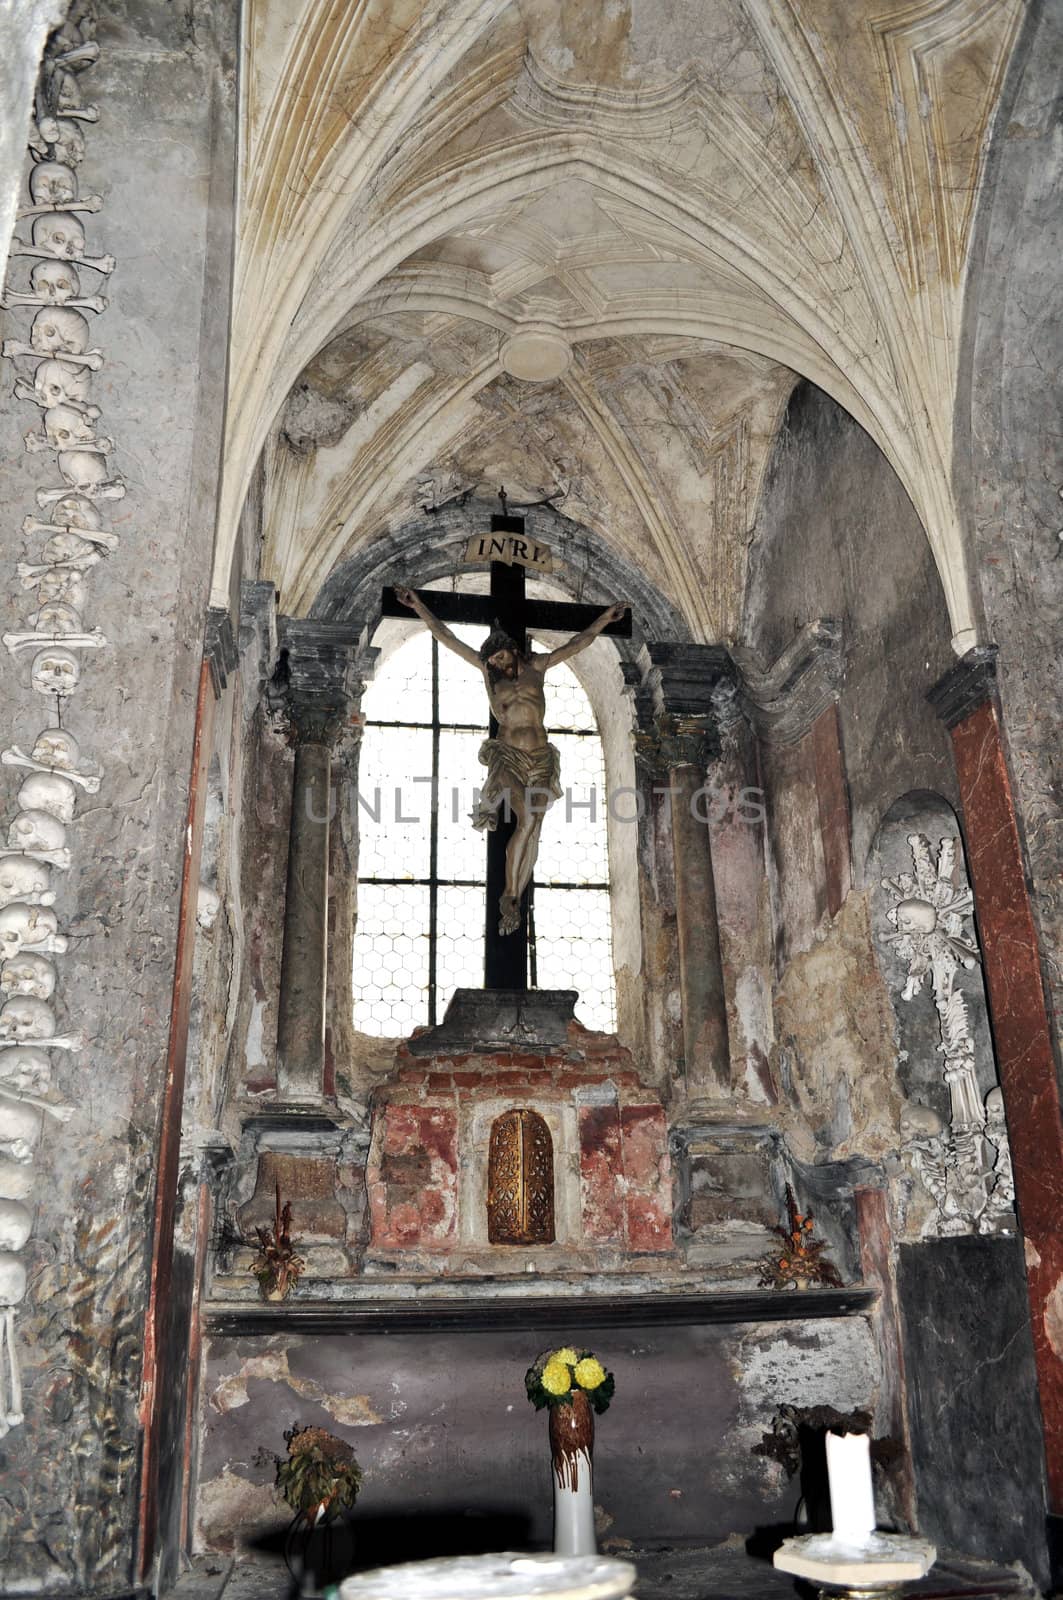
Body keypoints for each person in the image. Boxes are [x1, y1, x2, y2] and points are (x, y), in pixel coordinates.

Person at [395, 588, 627, 934]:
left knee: (533, 827)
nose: (498, 666)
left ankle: (515, 895)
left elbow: (577, 644)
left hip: (540, 757)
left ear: (513, 650)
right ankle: (508, 892)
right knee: (528, 817)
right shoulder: (489, 676)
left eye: (501, 659)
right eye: (492, 663)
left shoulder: (538, 665)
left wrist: (604, 620)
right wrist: (419, 608)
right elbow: (447, 637)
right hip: (507, 757)